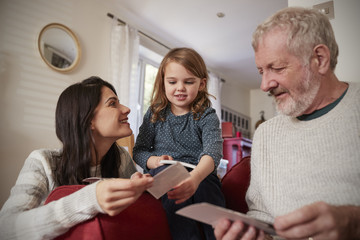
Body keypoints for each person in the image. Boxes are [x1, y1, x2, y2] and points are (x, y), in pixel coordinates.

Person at [214, 7, 360, 240]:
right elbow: (261, 215)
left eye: (277, 68)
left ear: (319, 59)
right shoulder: (266, 134)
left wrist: (354, 223)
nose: (264, 85)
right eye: (261, 71)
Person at [0, 76, 154, 240]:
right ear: (88, 121)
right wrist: (92, 198)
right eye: (112, 103)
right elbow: (6, 228)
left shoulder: (121, 158)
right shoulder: (42, 161)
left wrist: (141, 190)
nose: (126, 109)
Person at [133, 47, 225, 240]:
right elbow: (139, 151)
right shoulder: (155, 113)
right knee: (170, 185)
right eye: (172, 82)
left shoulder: (206, 116)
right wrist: (154, 161)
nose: (180, 88)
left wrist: (197, 177)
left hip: (198, 171)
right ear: (163, 82)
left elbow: (212, 152)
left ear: (201, 84)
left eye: (188, 82)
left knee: (207, 185)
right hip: (163, 170)